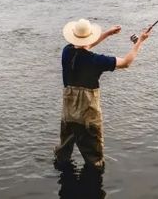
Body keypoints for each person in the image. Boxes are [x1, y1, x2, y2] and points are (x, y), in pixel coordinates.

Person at [52, 18, 151, 172]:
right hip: (88, 117)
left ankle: (64, 177)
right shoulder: (96, 60)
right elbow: (126, 62)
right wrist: (140, 42)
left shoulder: (67, 52)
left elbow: (85, 46)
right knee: (94, 160)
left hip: (69, 115)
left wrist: (108, 33)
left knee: (63, 154)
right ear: (89, 36)